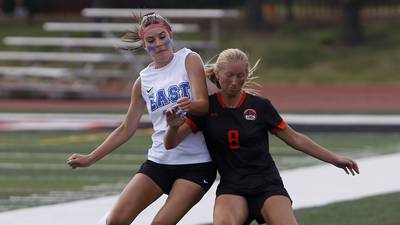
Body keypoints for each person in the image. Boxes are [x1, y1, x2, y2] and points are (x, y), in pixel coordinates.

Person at [164, 48, 360, 225]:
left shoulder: (260, 106)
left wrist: (335, 159)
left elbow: (295, 139)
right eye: (229, 75)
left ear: (247, 75)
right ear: (217, 74)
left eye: (240, 76)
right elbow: (171, 144)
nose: (234, 81)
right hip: (232, 186)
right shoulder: (206, 108)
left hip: (267, 184)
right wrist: (172, 128)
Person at [67, 12, 217, 225]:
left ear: (170, 35)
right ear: (144, 44)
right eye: (151, 40)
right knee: (115, 221)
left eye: (162, 36)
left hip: (197, 163)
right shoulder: (143, 80)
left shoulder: (189, 59)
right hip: (159, 160)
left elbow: (203, 105)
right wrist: (90, 158)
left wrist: (188, 106)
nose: (159, 43)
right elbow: (127, 127)